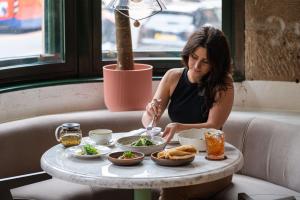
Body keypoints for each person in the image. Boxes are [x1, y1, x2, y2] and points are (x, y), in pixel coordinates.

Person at [141, 26, 234, 200]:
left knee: (171, 192)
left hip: (211, 163)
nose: (196, 66)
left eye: (205, 61)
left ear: (217, 62)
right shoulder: (173, 77)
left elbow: (213, 125)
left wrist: (179, 127)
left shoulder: (224, 84)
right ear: (187, 54)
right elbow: (147, 120)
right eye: (194, 57)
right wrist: (150, 112)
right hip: (177, 159)